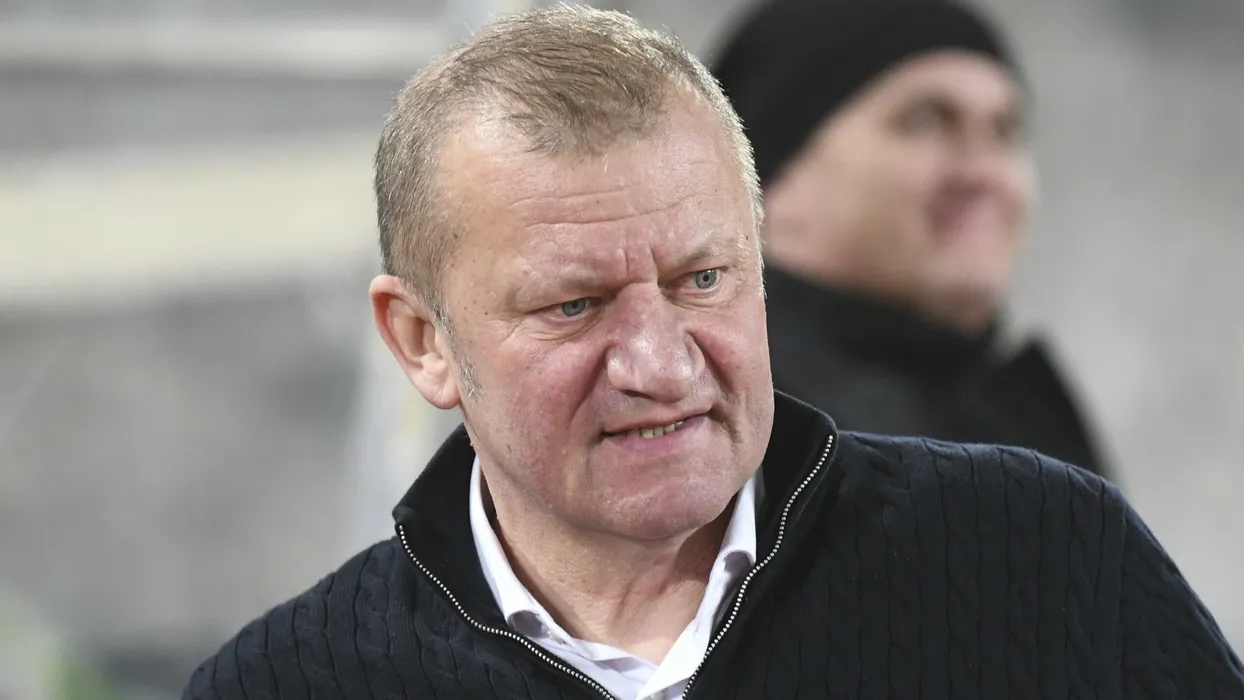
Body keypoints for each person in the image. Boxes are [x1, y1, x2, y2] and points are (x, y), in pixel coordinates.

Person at [183, 6, 1242, 699]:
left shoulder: (1039, 556)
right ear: (423, 343)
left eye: (701, 280)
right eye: (573, 304)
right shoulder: (290, 683)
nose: (659, 362)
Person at [711, 0, 1112, 479]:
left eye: (1004, 131)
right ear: (767, 183)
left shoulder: (1005, 414)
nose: (984, 172)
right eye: (926, 122)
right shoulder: (726, 424)